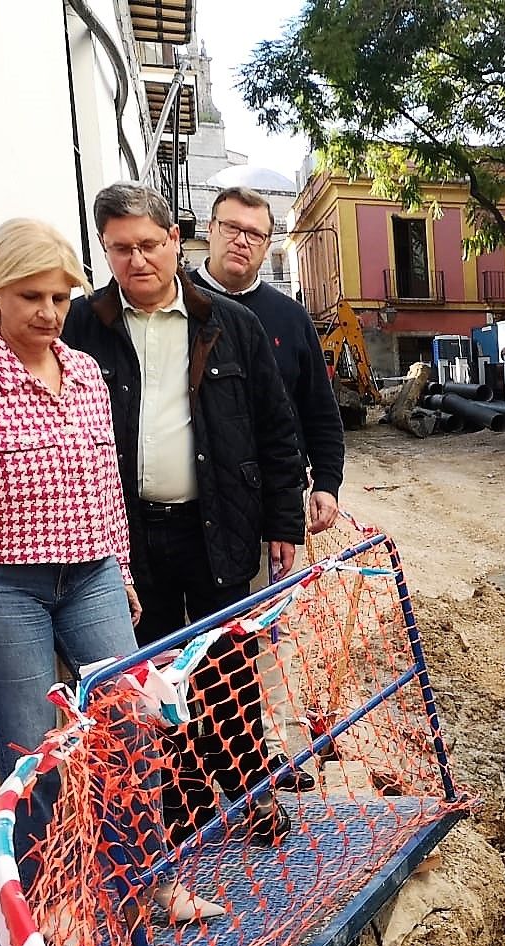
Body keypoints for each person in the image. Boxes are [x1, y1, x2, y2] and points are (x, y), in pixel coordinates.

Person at [0, 218, 220, 922]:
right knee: (30, 750)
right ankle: (53, 904)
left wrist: (123, 571)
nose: (49, 313)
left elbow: (103, 482)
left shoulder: (81, 371)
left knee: (134, 726)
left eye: (59, 296)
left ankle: (150, 884)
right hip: (2, 586)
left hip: (90, 576)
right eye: (31, 297)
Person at [61, 183, 307, 845]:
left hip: (219, 525)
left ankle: (253, 794)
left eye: (148, 244)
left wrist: (284, 522)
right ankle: (184, 801)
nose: (137, 260)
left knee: (228, 668)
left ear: (175, 241)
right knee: (152, 678)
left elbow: (277, 432)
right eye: (120, 249)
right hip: (131, 540)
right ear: (104, 251)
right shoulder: (82, 327)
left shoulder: (231, 324)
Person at [194, 185, 347, 792]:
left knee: (252, 645)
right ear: (208, 230)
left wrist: (324, 484)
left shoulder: (286, 318)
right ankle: (197, 775)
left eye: (255, 234)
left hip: (263, 512)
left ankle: (251, 763)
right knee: (185, 653)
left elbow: (316, 410)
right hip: (182, 514)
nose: (241, 241)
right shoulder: (174, 305)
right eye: (231, 228)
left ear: (268, 245)